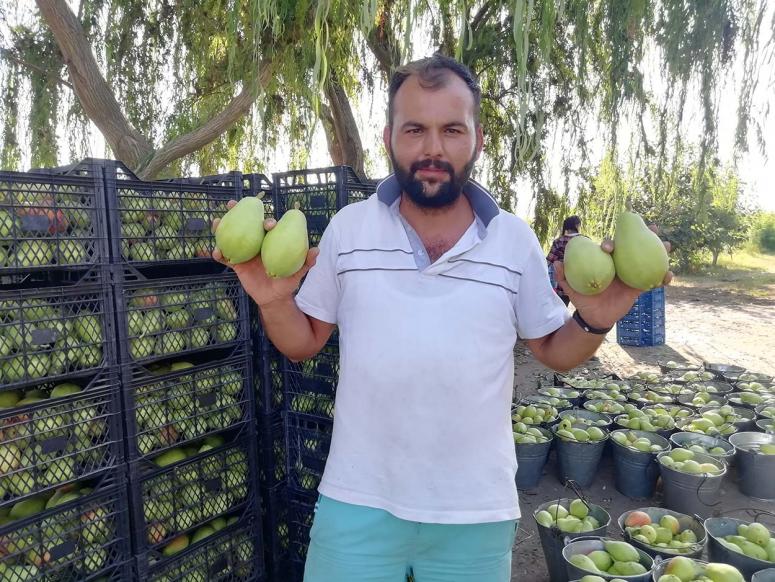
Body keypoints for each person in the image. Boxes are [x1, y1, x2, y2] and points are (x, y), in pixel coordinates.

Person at [213, 54, 670, 582]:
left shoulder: (513, 240)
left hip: (474, 512)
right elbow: (304, 343)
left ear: (476, 139)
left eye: (452, 129)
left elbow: (553, 350)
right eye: (415, 129)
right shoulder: (348, 230)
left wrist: (596, 320)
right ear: (390, 137)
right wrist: (272, 301)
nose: (433, 148)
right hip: (357, 501)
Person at [547, 215, 582, 306]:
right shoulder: (585, 240)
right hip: (580, 284)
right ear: (577, 225)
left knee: (560, 309)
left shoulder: (559, 241)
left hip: (562, 285)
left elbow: (549, 261)